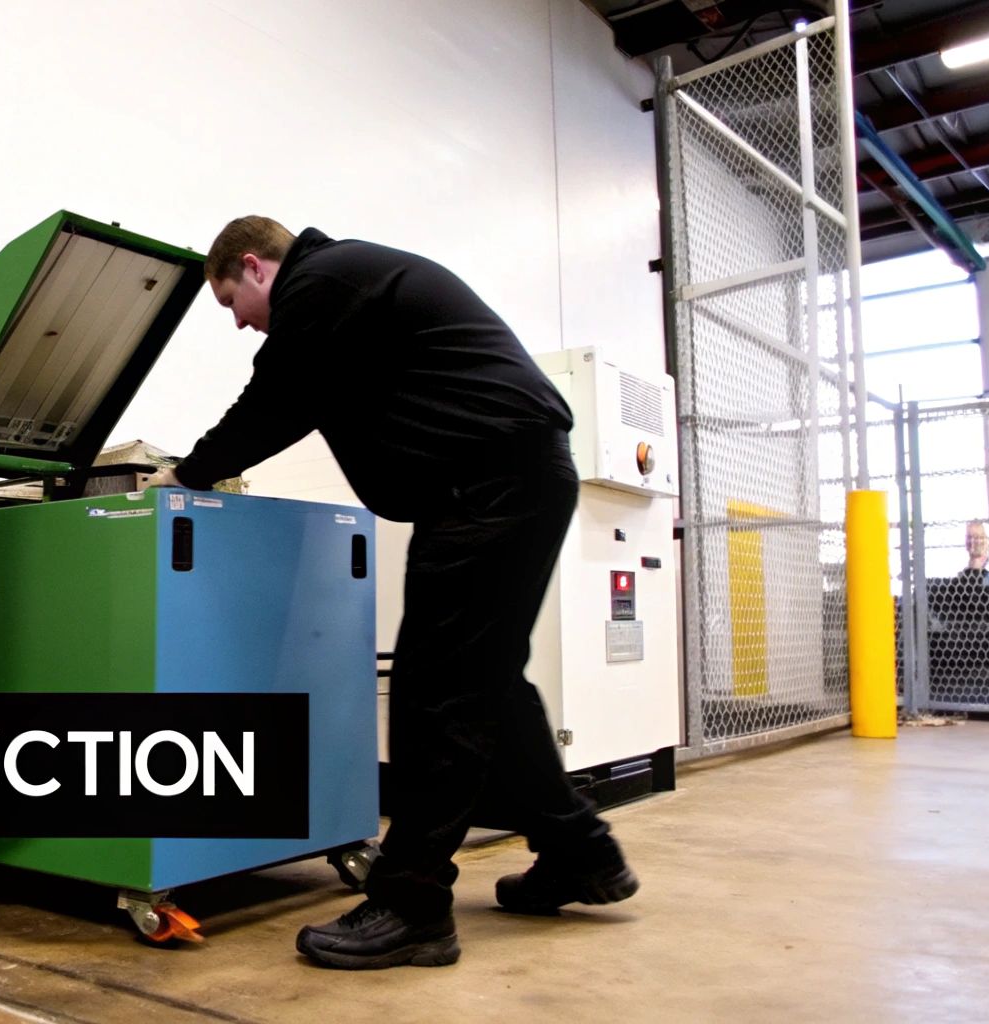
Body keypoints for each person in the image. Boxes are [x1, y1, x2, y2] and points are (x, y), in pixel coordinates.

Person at [146, 216, 637, 970]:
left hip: (492, 488)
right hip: (510, 480)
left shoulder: (320, 282)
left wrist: (185, 475)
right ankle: (582, 853)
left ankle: (412, 905)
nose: (240, 323)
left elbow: (277, 399)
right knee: (488, 686)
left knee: (436, 694)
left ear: (255, 266)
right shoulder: (350, 284)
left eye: (231, 302)